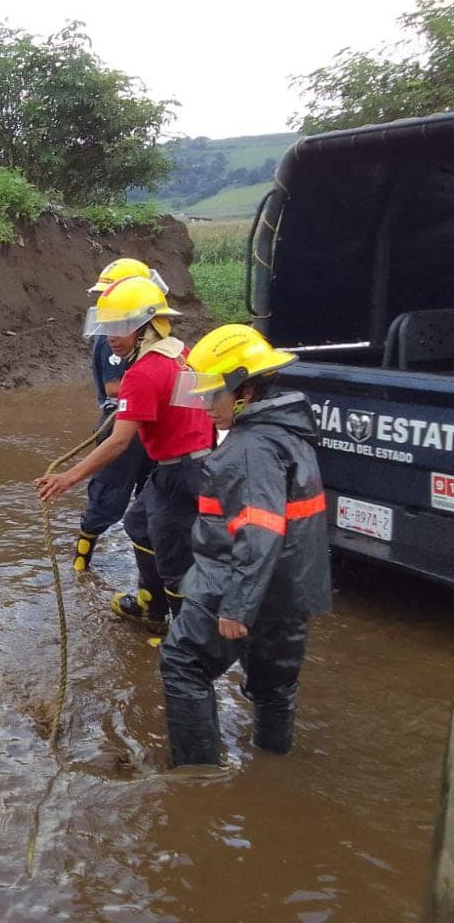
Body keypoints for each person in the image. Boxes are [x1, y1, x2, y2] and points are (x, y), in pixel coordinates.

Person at [158, 324, 331, 766]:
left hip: (235, 581)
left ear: (245, 390)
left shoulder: (249, 448)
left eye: (212, 395)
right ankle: (273, 764)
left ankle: (197, 777)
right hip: (289, 588)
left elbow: (259, 532)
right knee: (275, 685)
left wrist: (237, 605)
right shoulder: (288, 431)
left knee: (183, 664)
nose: (203, 407)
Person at [35, 272, 213, 633]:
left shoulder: (144, 372)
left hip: (182, 473)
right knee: (138, 524)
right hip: (188, 465)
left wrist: (67, 477)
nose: (110, 337)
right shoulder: (181, 353)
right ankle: (151, 605)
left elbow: (118, 442)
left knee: (176, 558)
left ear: (147, 326)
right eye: (108, 326)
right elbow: (201, 409)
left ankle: (185, 637)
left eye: (120, 327)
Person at [73, 259, 157, 574]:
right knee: (107, 498)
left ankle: (148, 577)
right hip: (121, 424)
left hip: (148, 426)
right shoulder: (113, 335)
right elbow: (112, 387)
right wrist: (154, 385)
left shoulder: (148, 336)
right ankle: (81, 561)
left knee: (150, 501)